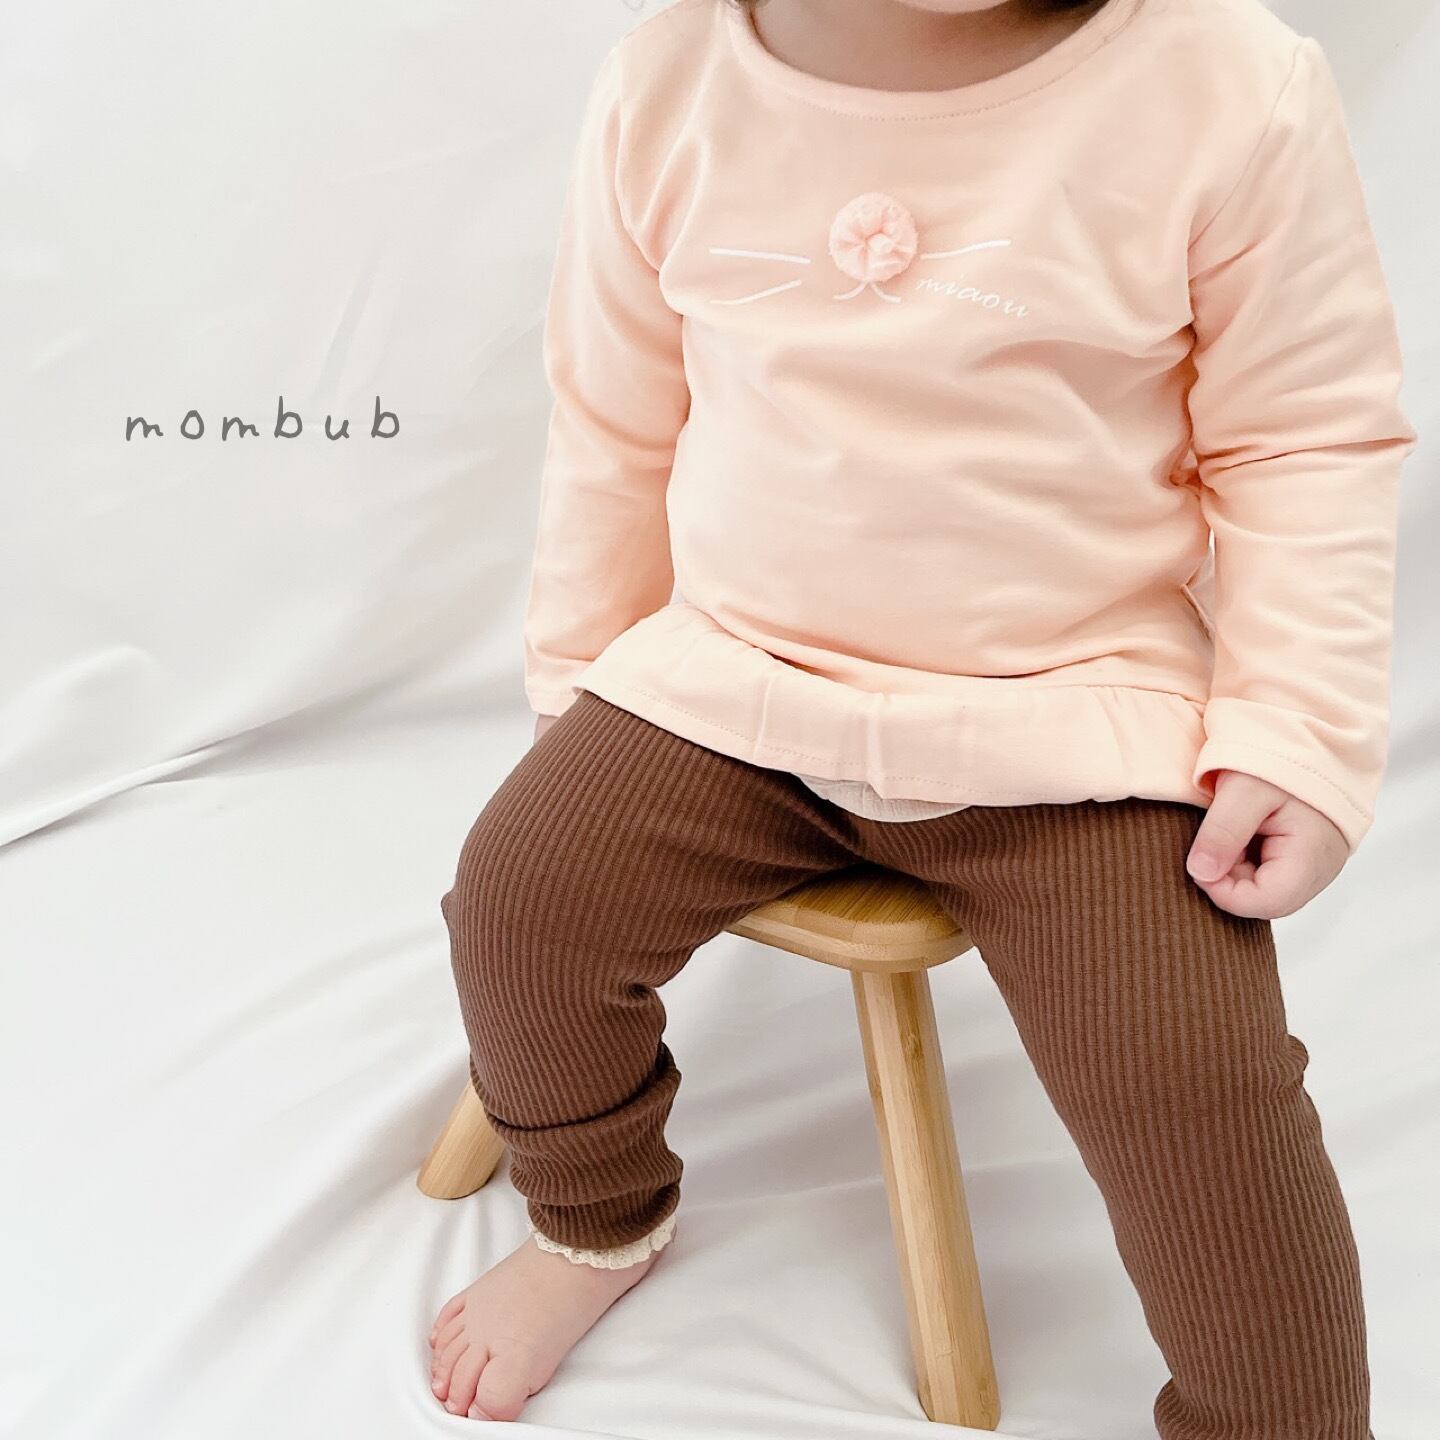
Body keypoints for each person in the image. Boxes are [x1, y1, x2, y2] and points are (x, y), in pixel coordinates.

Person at [428, 0, 1416, 1431]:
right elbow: (617, 423)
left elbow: (1304, 438)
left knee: (1197, 1085)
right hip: (738, 674)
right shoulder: (671, 79)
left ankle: (1282, 1419)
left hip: (1074, 711)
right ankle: (597, 1218)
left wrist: (1297, 727)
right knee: (520, 902)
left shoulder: (1226, 84)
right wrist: (580, 683)